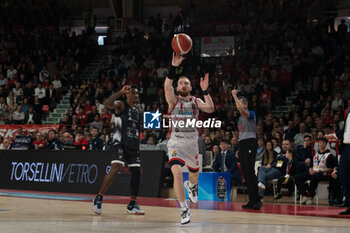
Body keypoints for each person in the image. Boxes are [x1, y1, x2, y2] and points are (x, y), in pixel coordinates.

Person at [164, 53, 214, 224]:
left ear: (191, 88)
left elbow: (210, 108)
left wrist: (206, 91)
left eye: (187, 83)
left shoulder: (195, 101)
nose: (184, 85)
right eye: (181, 83)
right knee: (177, 172)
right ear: (177, 88)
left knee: (194, 176)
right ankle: (184, 209)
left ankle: (192, 186)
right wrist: (172, 68)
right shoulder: (173, 101)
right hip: (176, 142)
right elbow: (166, 87)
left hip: (192, 143)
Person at [93, 85, 145, 215]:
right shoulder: (121, 105)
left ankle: (132, 204)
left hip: (133, 146)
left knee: (137, 173)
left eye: (137, 94)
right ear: (127, 94)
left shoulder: (138, 111)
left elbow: (138, 128)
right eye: (133, 93)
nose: (136, 96)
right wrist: (119, 92)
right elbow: (106, 104)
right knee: (116, 167)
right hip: (119, 142)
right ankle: (99, 197)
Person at [231, 90, 261, 209]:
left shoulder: (251, 113)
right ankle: (251, 200)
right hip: (243, 144)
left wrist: (234, 95)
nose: (238, 105)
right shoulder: (240, 118)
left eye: (240, 103)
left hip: (250, 143)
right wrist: (239, 148)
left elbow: (241, 110)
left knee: (250, 172)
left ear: (246, 104)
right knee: (246, 174)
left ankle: (256, 200)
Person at [295, 138, 338, 205]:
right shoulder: (315, 155)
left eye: (323, 143)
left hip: (323, 174)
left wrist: (319, 171)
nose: (321, 144)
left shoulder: (330, 156)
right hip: (314, 173)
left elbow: (331, 168)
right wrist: (310, 169)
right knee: (297, 177)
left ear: (326, 144)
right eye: (320, 143)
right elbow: (311, 165)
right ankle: (304, 195)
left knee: (314, 177)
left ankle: (311, 196)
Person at [325, 106, 350, 214]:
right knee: (344, 176)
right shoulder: (349, 110)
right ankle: (349, 203)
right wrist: (334, 135)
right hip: (346, 147)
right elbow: (346, 129)